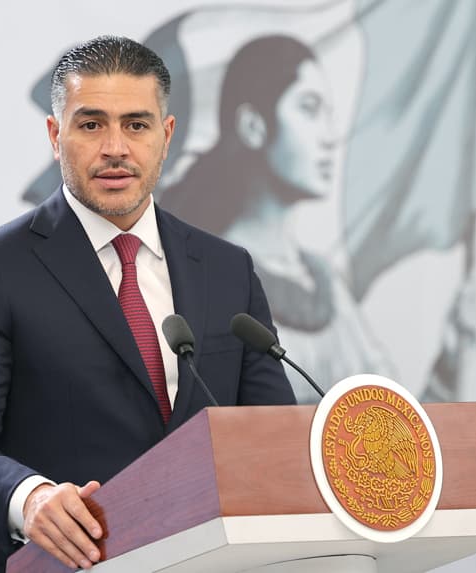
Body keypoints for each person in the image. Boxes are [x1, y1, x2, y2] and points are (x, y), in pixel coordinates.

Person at [0, 35, 295, 573]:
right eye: (91, 124)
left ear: (166, 137)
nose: (116, 147)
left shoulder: (226, 268)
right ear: (56, 135)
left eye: (137, 125)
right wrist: (30, 500)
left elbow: (271, 434)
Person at [161, 35, 395, 402]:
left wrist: (447, 359)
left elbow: (391, 420)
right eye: (309, 108)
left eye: (330, 115)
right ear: (254, 125)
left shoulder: (325, 283)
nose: (331, 137)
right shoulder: (210, 276)